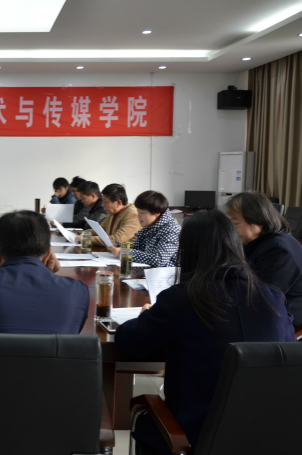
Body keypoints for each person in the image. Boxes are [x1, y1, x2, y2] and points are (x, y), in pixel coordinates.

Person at [115, 210, 296, 454]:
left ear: (188, 250)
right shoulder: (273, 297)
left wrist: (146, 315)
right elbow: (287, 355)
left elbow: (128, 341)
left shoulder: (183, 298)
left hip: (195, 435)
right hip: (270, 435)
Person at [225, 191, 302, 326]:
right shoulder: (253, 242)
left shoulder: (280, 250)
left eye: (235, 224)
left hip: (284, 315)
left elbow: (260, 297)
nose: (230, 230)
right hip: (260, 308)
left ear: (259, 222)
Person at [108, 190, 181, 267]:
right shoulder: (150, 226)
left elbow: (159, 259)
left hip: (166, 273)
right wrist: (117, 245)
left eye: (142, 213)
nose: (138, 216)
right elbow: (138, 246)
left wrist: (125, 253)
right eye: (138, 211)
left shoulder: (171, 230)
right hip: (150, 270)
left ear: (157, 213)